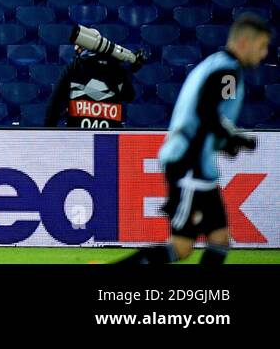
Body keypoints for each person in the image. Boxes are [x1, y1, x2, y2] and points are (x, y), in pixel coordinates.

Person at [115, 14, 271, 265]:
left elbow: (212, 113)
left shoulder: (217, 66)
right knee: (181, 246)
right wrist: (230, 138)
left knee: (218, 239)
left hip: (199, 167)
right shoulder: (227, 72)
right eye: (262, 46)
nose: (264, 54)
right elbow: (206, 111)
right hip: (191, 165)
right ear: (244, 42)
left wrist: (230, 138)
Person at [43, 39, 145, 128]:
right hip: (110, 138)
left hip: (77, 137)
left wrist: (47, 134)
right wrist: (127, 71)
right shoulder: (115, 69)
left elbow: (54, 104)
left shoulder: (74, 67)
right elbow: (129, 96)